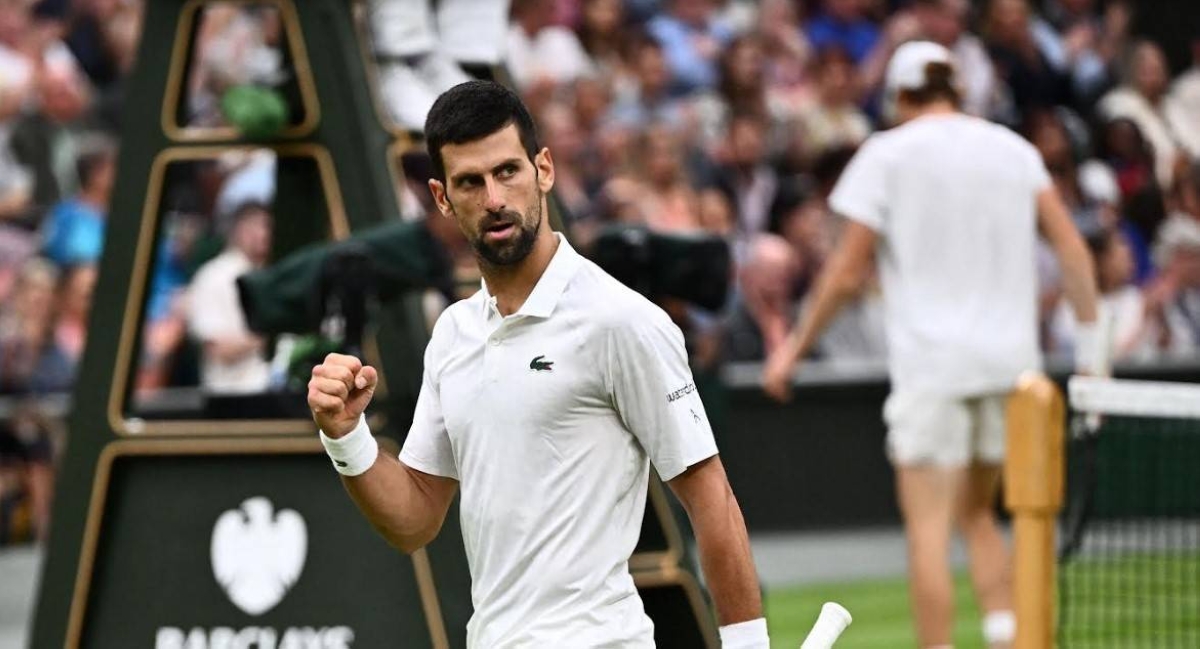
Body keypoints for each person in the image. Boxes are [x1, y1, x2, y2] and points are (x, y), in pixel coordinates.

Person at [308, 81, 767, 648]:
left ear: (543, 169)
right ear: (442, 198)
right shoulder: (452, 335)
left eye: (507, 172)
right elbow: (414, 520)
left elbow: (710, 498)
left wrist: (749, 645)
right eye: (470, 182)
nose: (495, 198)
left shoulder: (619, 320)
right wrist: (346, 436)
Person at [762, 42, 1100, 649]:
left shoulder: (885, 154)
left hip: (933, 371)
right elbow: (1074, 251)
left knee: (930, 527)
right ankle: (1007, 637)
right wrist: (1094, 361)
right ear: (955, 89)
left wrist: (791, 352)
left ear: (898, 97)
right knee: (982, 515)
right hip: (1010, 370)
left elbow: (844, 272)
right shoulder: (1013, 150)